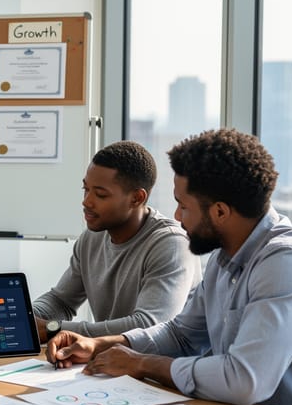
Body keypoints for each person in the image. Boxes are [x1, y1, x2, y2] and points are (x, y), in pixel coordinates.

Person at [47, 128, 292, 405]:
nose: (178, 216)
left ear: (220, 212)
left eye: (184, 206)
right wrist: (101, 345)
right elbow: (181, 335)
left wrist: (142, 364)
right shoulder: (225, 257)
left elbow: (244, 379)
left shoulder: (288, 264)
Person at [32, 140, 201, 342]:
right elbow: (61, 301)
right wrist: (24, 318)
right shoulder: (92, 237)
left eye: (100, 194)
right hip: (110, 362)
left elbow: (148, 325)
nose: (86, 201)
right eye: (85, 189)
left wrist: (53, 329)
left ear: (137, 198)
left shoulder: (171, 244)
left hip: (160, 368)